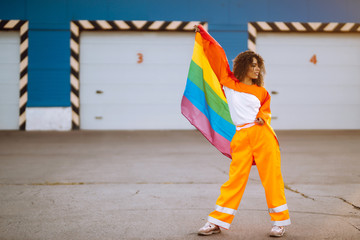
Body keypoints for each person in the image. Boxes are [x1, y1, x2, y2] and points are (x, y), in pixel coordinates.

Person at [198, 50, 291, 237]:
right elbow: (217, 59)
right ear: (243, 66)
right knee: (234, 180)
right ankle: (216, 222)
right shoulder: (229, 83)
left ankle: (279, 223)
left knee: (272, 179)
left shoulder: (262, 92)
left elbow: (265, 111)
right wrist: (203, 34)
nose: (257, 69)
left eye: (259, 66)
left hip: (263, 136)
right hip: (240, 136)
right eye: (253, 65)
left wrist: (262, 118)